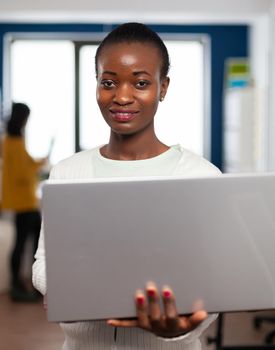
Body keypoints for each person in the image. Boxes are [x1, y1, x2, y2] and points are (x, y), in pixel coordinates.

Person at [33, 23, 221, 349]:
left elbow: (215, 284)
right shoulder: (67, 173)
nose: (121, 96)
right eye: (108, 82)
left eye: (141, 83)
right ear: (96, 85)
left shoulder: (201, 176)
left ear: (163, 87)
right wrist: (63, 285)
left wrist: (179, 330)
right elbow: (44, 262)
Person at [1, 102, 46, 302]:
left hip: (24, 201)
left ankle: (27, 285)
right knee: (26, 244)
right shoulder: (13, 142)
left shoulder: (13, 141)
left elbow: (24, 167)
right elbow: (23, 172)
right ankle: (21, 286)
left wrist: (37, 163)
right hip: (24, 202)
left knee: (29, 243)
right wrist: (38, 165)